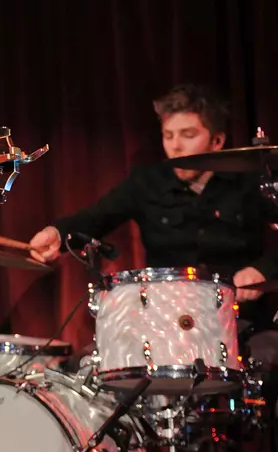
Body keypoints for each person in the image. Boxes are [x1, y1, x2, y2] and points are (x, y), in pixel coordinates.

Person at [28, 84, 278, 366]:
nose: (176, 146)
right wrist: (57, 234)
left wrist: (262, 270)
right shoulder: (147, 182)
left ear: (217, 141)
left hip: (237, 323)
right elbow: (94, 218)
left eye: (189, 135)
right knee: (88, 367)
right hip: (163, 326)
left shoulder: (247, 185)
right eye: (168, 135)